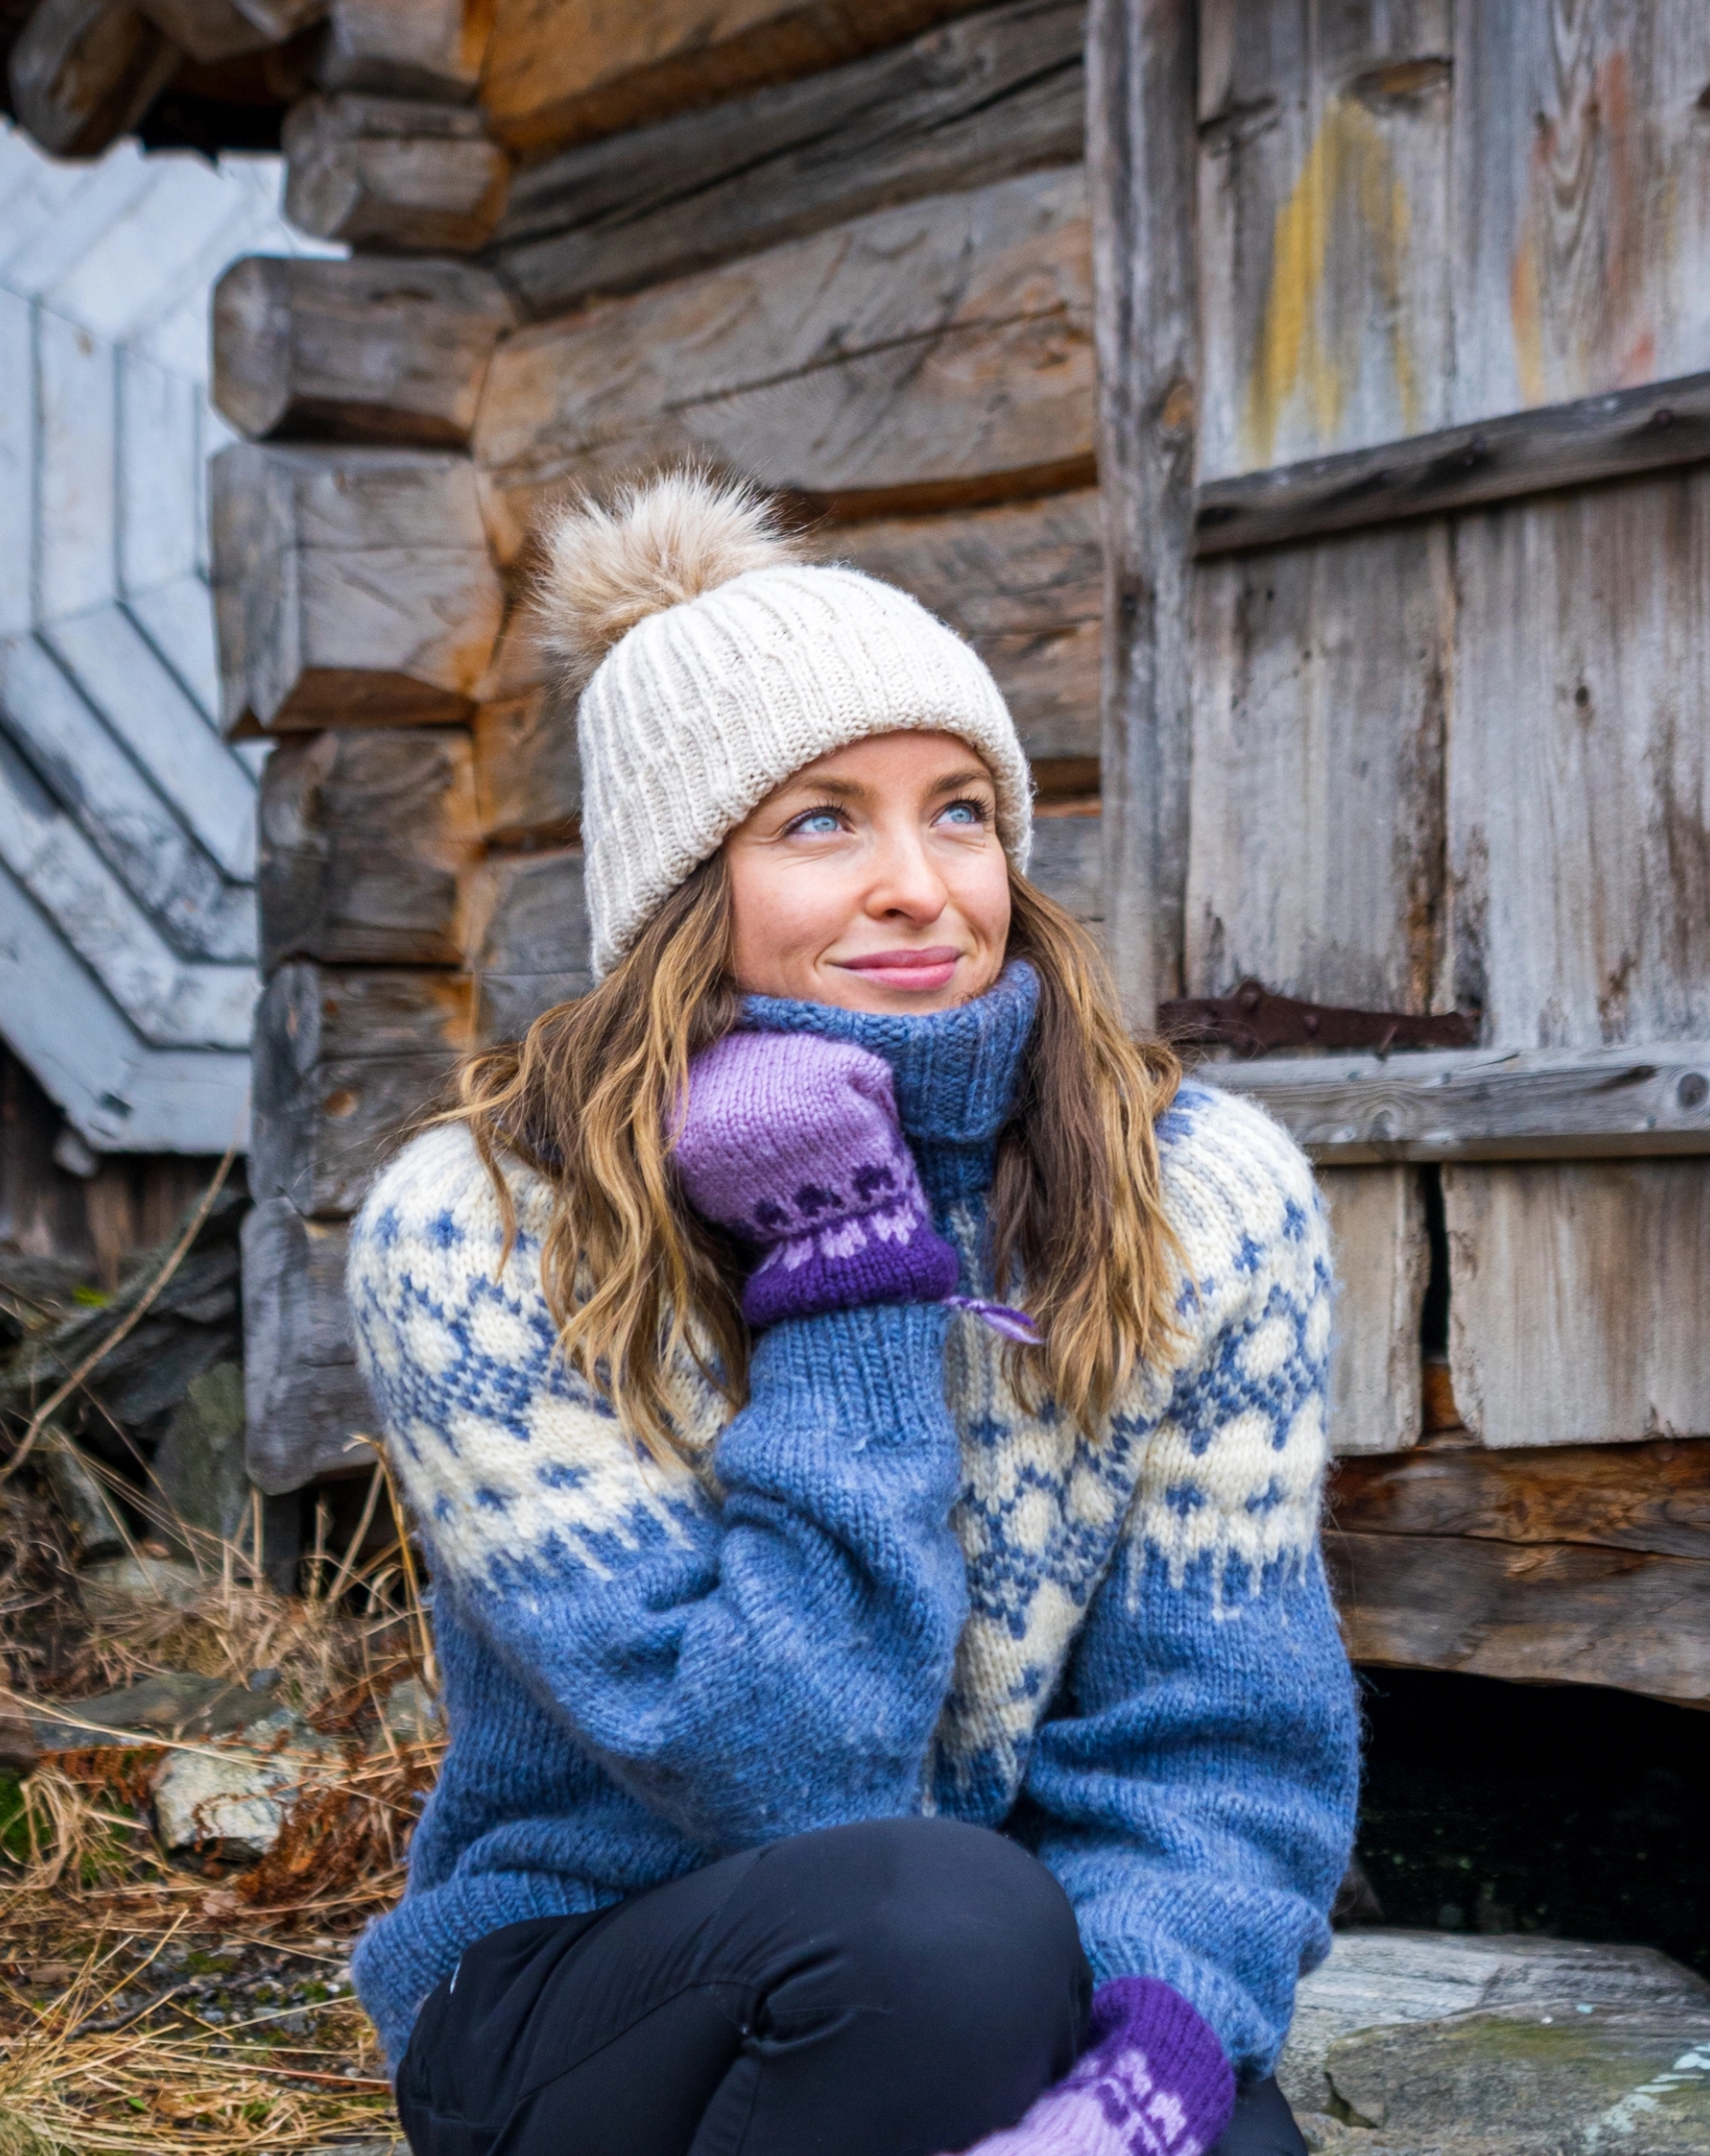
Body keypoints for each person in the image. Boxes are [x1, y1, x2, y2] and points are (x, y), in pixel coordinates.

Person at [344, 470, 1359, 2156]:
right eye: (823, 821)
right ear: (685, 886)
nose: (919, 884)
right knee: (939, 1932)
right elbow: (777, 1778)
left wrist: (1157, 2054)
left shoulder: (1211, 1195)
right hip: (587, 1994)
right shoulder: (479, 1232)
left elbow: (1220, 1742)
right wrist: (845, 1272)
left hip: (1004, 1977)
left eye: (958, 811)